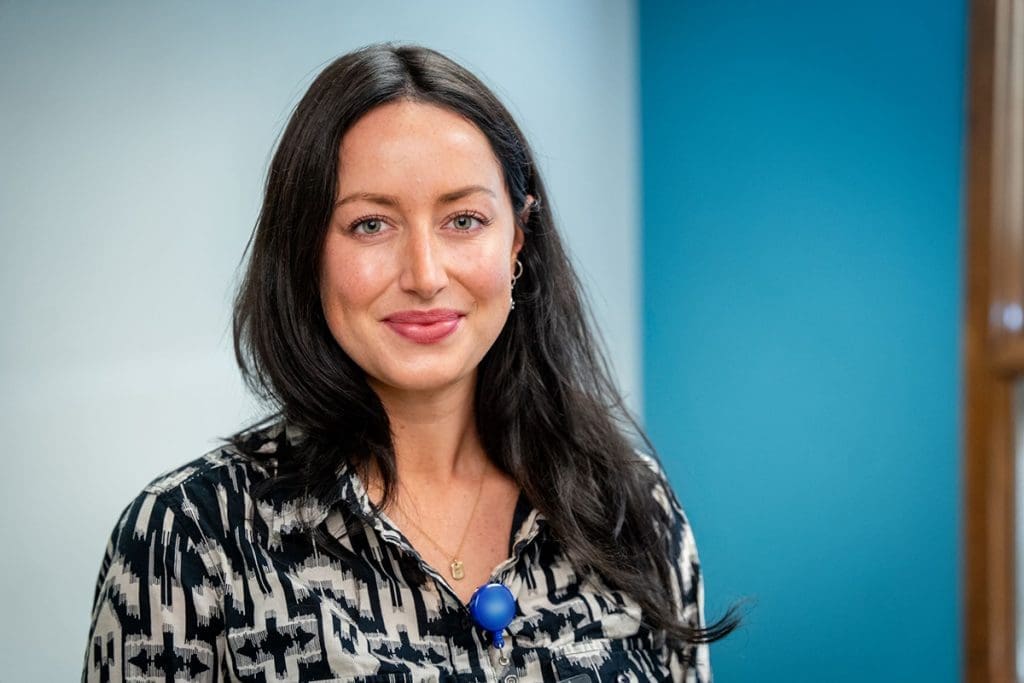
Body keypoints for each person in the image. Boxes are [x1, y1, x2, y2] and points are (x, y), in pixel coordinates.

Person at [82, 43, 740, 682]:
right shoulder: (188, 537)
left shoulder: (629, 507)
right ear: (306, 251)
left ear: (519, 236)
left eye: (463, 220)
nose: (425, 275)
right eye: (371, 224)